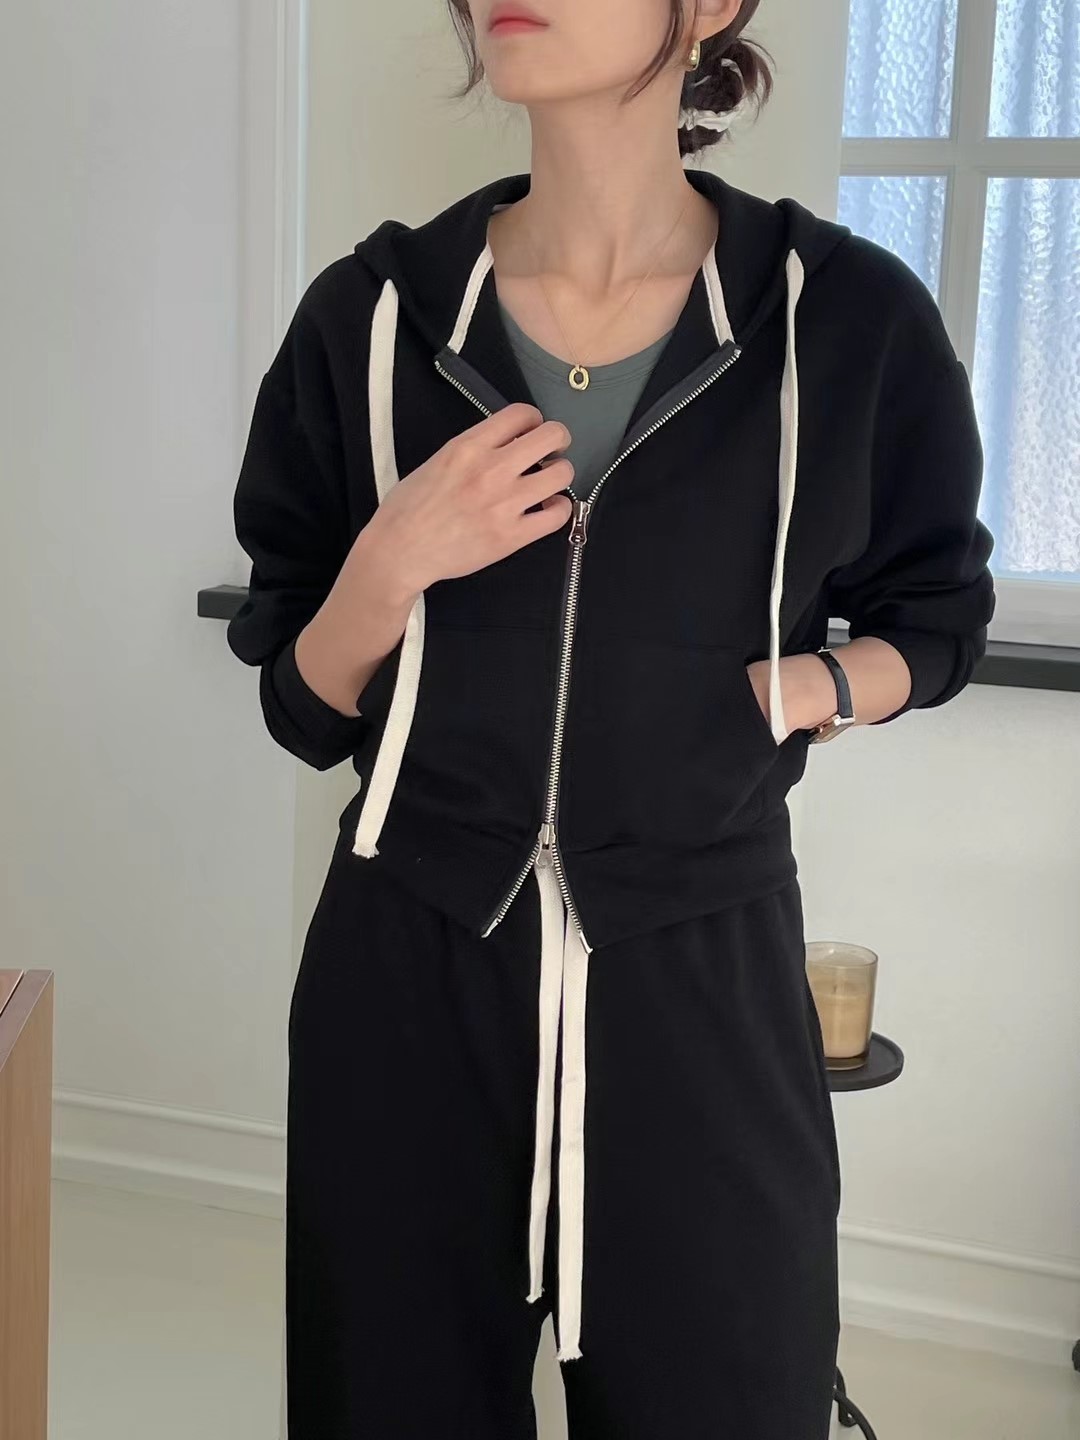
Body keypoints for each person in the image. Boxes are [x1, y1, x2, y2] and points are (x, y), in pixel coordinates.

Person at [227, 1, 995, 1435]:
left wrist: (811, 690)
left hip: (702, 991)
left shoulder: (843, 320)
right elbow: (301, 704)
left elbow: (940, 617)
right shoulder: (374, 319)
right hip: (405, 985)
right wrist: (391, 562)